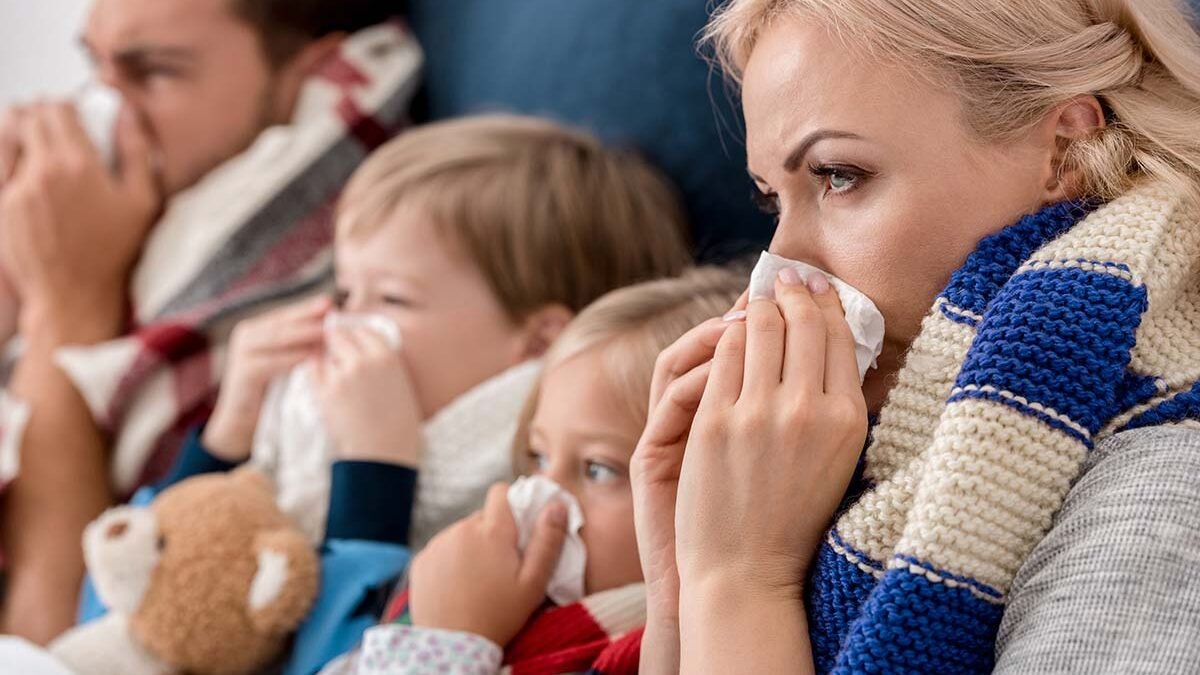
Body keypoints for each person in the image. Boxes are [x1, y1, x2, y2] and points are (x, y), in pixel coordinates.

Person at [631, 0, 1200, 672]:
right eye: (770, 201)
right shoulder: (864, 462)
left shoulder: (1166, 484)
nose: (782, 269)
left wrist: (742, 580)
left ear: (1064, 150)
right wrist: (681, 588)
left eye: (838, 175)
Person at [0, 0, 420, 641]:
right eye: (97, 68)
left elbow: (43, 641)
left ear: (307, 69)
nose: (103, 113)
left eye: (155, 73)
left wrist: (64, 305)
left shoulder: (316, 281)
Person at [319, 267, 746, 675]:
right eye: (538, 457)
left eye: (597, 469)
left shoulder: (660, 654)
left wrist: (445, 642)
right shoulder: (495, 593)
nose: (545, 498)